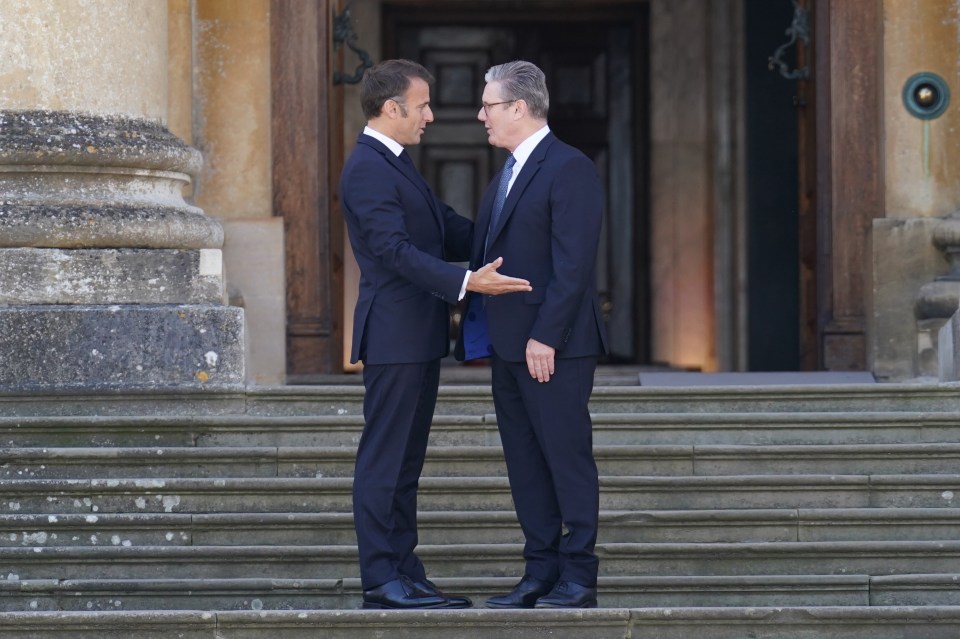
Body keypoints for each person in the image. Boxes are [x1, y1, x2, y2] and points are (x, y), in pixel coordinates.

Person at [339, 59, 531, 610]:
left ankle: (406, 570)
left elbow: (446, 227)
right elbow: (393, 251)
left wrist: (515, 244)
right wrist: (468, 281)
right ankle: (382, 578)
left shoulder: (395, 163)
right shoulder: (367, 168)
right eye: (422, 105)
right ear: (392, 107)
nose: (430, 115)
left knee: (406, 462)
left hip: (417, 336)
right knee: (386, 458)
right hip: (395, 336)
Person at [456, 60, 609, 609]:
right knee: (524, 463)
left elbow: (574, 265)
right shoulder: (505, 174)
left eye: (488, 106)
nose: (480, 116)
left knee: (565, 458)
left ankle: (579, 576)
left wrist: (547, 335)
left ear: (518, 108)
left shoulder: (569, 168)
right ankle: (539, 572)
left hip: (553, 347)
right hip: (506, 345)